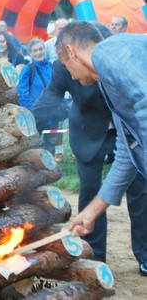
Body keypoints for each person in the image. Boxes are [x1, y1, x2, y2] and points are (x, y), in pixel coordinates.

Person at [32, 23, 147, 264]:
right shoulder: (106, 78)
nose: (71, 75)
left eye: (66, 65)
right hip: (90, 135)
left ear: (71, 52)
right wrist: (91, 212)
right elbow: (127, 154)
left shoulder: (109, 55)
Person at [16, 39, 58, 154]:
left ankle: (50, 168)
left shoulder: (51, 66)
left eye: (41, 49)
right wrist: (32, 110)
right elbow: (22, 92)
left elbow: (58, 87)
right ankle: (35, 168)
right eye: (35, 50)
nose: (39, 52)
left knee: (51, 143)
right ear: (30, 53)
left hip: (53, 113)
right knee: (35, 144)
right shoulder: (28, 69)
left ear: (45, 49)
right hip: (36, 114)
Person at [45, 18, 69, 162]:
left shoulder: (73, 43)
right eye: (60, 28)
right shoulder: (48, 45)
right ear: (54, 31)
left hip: (72, 91)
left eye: (65, 28)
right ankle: (59, 152)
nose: (63, 31)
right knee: (58, 124)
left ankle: (76, 152)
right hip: (59, 91)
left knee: (75, 123)